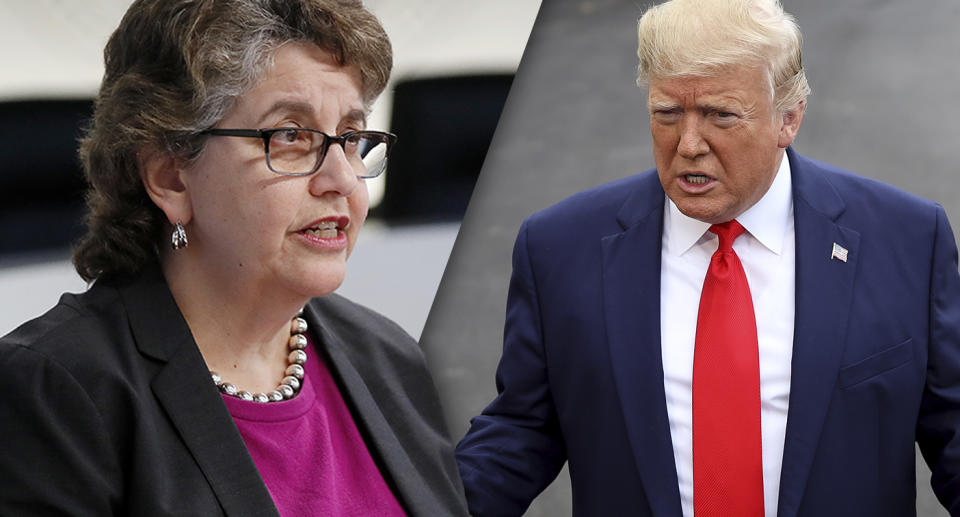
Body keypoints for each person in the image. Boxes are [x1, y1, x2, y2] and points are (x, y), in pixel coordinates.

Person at [455, 0, 960, 516]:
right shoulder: (561, 249)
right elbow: (522, 430)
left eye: (720, 115)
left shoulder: (907, 239)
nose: (689, 144)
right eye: (667, 113)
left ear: (788, 118)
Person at [0, 1, 467, 515]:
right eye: (291, 136)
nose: (342, 180)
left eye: (351, 138)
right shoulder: (56, 390)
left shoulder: (388, 357)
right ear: (171, 177)